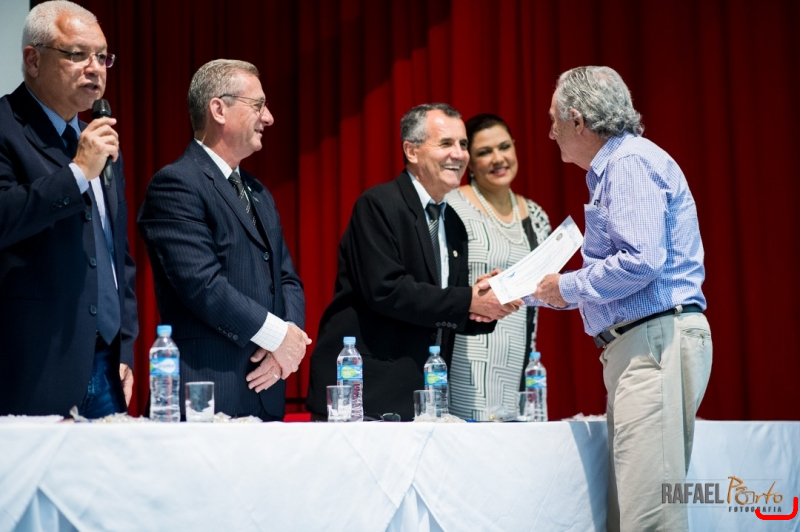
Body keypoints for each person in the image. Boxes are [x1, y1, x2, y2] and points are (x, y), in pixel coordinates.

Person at [522, 66, 712, 531]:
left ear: (577, 119)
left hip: (654, 342)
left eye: (553, 119)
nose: (550, 132)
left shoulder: (628, 164)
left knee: (650, 516)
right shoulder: (620, 165)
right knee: (633, 509)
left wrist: (565, 287)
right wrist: (524, 293)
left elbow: (641, 262)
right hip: (646, 342)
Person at [306, 103, 521, 421]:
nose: (459, 154)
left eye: (463, 144)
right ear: (412, 151)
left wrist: (487, 302)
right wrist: (468, 300)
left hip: (424, 399)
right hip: (367, 396)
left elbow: (442, 308)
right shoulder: (378, 205)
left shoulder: (454, 224)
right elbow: (387, 290)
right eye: (446, 143)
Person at [137, 59, 311, 421]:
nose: (268, 118)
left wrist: (289, 343)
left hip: (267, 387)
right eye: (258, 105)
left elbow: (287, 279)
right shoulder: (177, 183)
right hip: (208, 390)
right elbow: (202, 284)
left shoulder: (258, 192)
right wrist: (277, 336)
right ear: (218, 109)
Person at [0, 0, 138, 418]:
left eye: (103, 56)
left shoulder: (98, 139)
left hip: (107, 364)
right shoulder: (6, 127)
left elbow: (117, 254)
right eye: (78, 54)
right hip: (33, 365)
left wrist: (125, 345)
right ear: (33, 60)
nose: (95, 69)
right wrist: (77, 172)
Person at [444, 114, 551, 421]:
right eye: (484, 152)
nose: (498, 158)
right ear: (469, 161)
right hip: (466, 354)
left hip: (521, 356)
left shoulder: (536, 215)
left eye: (504, 147)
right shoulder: (451, 206)